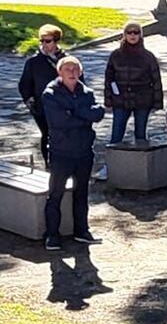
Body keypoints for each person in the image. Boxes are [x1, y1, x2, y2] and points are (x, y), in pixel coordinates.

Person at [39, 57, 106, 252]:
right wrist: (83, 115)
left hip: (84, 152)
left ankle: (82, 231)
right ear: (60, 72)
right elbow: (60, 121)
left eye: (75, 69)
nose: (72, 72)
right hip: (61, 153)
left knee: (82, 193)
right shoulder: (50, 94)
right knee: (56, 194)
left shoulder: (87, 92)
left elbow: (98, 113)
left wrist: (74, 113)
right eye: (68, 69)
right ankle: (52, 235)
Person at [102, 22, 162, 145]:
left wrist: (157, 102)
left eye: (136, 32)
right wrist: (108, 99)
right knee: (116, 133)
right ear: (124, 35)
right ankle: (113, 161)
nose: (133, 35)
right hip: (120, 99)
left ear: (141, 35)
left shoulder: (148, 56)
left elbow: (156, 80)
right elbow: (109, 78)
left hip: (142, 99)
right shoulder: (116, 55)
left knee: (141, 134)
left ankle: (141, 161)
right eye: (129, 32)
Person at [16, 24, 63, 159]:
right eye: (41, 41)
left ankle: (60, 162)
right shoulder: (34, 61)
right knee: (46, 133)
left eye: (47, 41)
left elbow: (78, 80)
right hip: (41, 106)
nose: (43, 44)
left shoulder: (65, 60)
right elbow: (24, 84)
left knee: (60, 134)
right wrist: (30, 102)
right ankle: (48, 163)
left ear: (56, 41)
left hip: (62, 105)